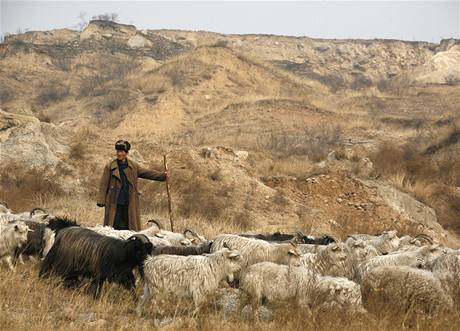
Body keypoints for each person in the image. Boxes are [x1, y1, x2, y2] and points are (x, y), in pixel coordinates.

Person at [97, 140, 168, 231]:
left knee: (129, 227)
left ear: (126, 153)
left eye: (121, 151)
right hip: (114, 201)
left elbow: (147, 173)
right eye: (118, 151)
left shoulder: (133, 166)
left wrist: (162, 176)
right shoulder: (109, 166)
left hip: (129, 202)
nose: (119, 154)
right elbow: (103, 184)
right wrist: (101, 201)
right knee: (113, 227)